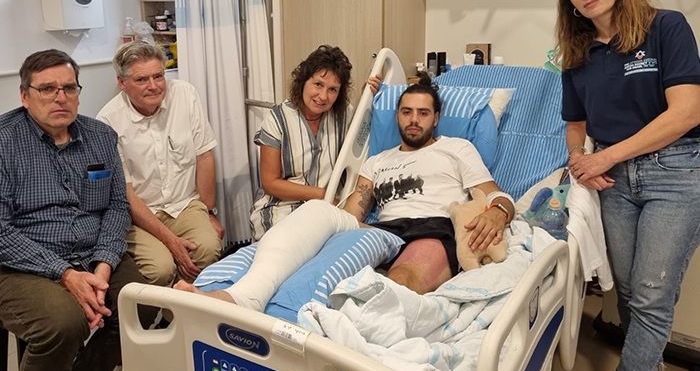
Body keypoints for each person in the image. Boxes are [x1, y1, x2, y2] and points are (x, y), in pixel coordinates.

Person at [175, 78, 515, 308]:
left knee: (396, 285)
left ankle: (337, 335)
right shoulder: (378, 161)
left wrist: (498, 211)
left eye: (423, 113)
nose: (414, 120)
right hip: (383, 232)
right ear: (397, 115)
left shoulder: (457, 148)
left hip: (432, 228)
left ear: (436, 118)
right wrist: (326, 221)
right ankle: (238, 294)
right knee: (316, 212)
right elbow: (351, 213)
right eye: (406, 111)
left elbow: (496, 196)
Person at [0, 49, 157, 371]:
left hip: (89, 253)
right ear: (25, 95)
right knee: (63, 324)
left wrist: (103, 265)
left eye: (69, 87)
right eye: (48, 89)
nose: (61, 97)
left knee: (142, 304)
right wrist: (65, 274)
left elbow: (116, 207)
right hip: (13, 262)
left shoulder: (100, 136)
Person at [556, 0, 700, 371]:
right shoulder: (577, 54)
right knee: (631, 291)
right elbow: (575, 123)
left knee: (654, 291)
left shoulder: (666, 27)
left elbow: (686, 112)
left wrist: (606, 157)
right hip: (615, 181)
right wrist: (579, 157)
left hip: (675, 171)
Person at [97, 41, 223, 287]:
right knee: (160, 268)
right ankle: (165, 316)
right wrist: (171, 242)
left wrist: (209, 212)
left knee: (207, 249)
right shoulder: (107, 121)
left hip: (185, 204)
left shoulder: (185, 94)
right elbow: (127, 194)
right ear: (122, 84)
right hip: (141, 213)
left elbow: (204, 156)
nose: (154, 86)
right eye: (142, 80)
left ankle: (181, 314)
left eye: (158, 76)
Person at [250, 45, 380, 240]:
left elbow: (362, 135)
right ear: (303, 80)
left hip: (328, 209)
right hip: (282, 208)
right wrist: (321, 194)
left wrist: (369, 98)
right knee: (295, 246)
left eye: (333, 90)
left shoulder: (343, 115)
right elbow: (270, 183)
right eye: (318, 84)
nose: (323, 97)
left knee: (363, 240)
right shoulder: (277, 120)